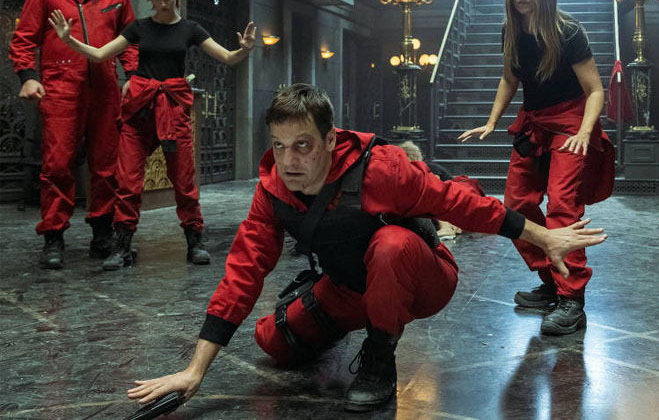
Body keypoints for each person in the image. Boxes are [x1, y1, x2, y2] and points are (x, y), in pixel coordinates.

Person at [124, 84, 608, 412]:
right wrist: (194, 371)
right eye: (279, 145)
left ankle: (379, 358)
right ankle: (349, 322)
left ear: (329, 139)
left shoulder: (382, 168)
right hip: (349, 286)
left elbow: (459, 203)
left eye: (303, 145)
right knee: (273, 343)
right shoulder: (272, 190)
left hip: (422, 277)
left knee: (391, 243)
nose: (289, 160)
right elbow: (242, 272)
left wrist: (543, 235)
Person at [48, 0, 256, 270]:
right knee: (127, 182)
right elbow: (101, 54)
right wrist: (69, 40)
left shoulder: (190, 29)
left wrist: (244, 50)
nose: (162, 3)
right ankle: (122, 246)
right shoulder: (139, 27)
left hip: (173, 110)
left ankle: (194, 242)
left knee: (184, 181)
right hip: (140, 110)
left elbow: (227, 57)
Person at [458, 0, 614, 335]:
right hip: (535, 122)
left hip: (571, 122)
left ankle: (572, 298)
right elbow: (509, 80)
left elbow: (595, 90)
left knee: (562, 205)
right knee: (516, 203)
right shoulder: (510, 31)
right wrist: (492, 121)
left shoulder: (568, 31)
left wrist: (585, 132)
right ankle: (552, 281)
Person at [9, 0, 139, 269]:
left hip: (106, 89)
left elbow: (130, 39)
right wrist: (28, 77)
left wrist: (132, 76)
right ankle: (54, 237)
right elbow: (24, 38)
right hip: (61, 87)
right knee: (57, 165)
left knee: (107, 167)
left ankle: (102, 234)